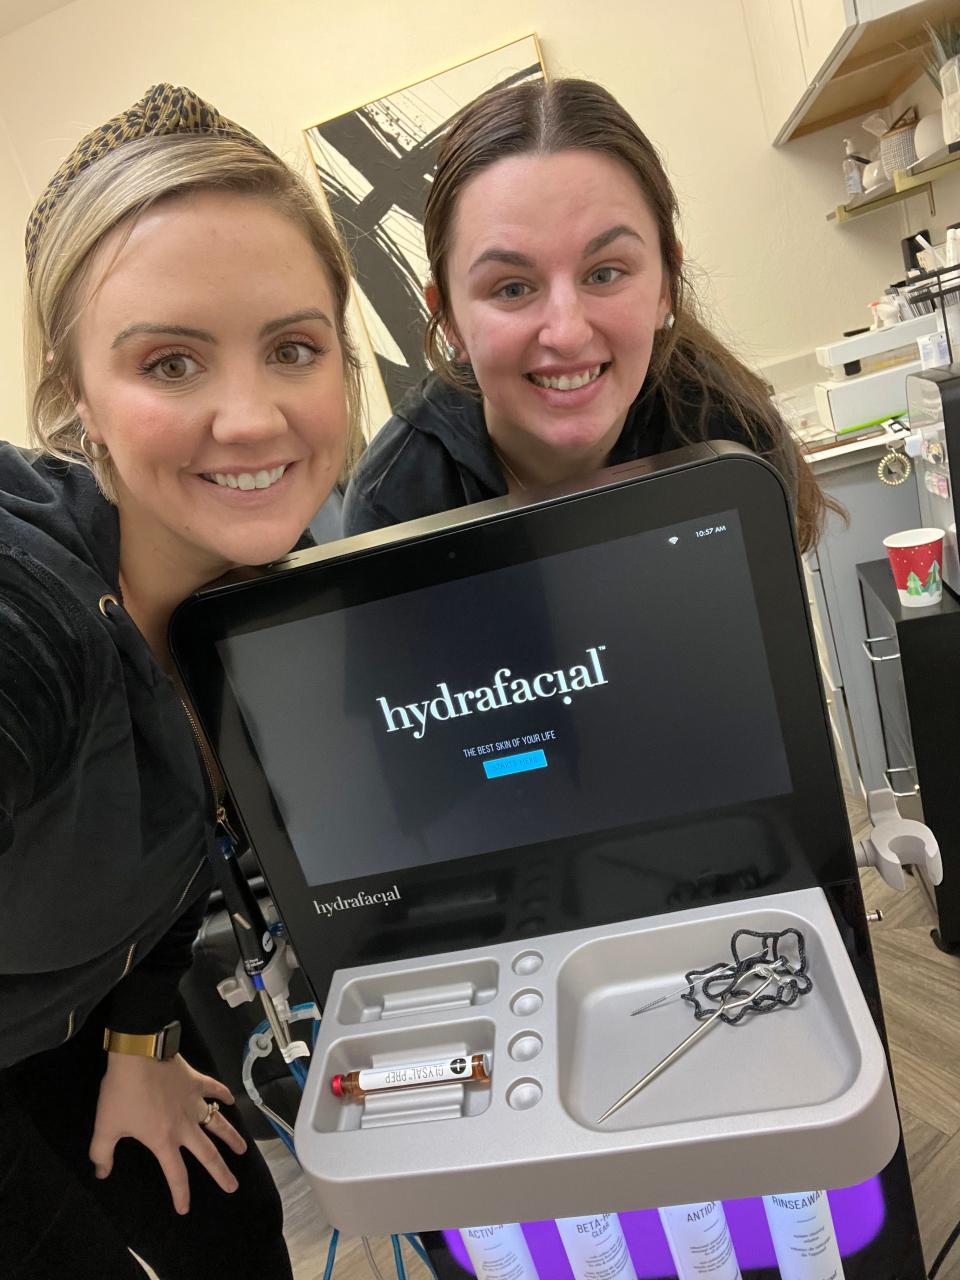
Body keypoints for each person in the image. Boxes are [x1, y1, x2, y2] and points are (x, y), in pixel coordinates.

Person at [0, 84, 363, 1279]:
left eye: (293, 349)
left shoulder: (257, 600)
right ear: (75, 395)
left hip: (63, 1020)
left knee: (231, 1227)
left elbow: (182, 855)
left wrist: (145, 1035)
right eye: (170, 361)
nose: (251, 417)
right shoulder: (36, 607)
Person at [343, 77, 834, 553]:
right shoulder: (393, 504)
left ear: (666, 284)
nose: (568, 333)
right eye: (512, 287)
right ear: (448, 319)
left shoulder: (733, 436)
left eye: (604, 274)